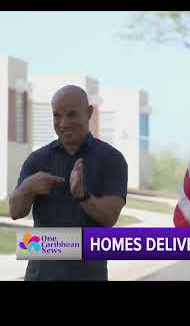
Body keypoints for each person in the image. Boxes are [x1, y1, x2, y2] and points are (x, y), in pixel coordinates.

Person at [8, 85, 128, 281]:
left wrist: (83, 196)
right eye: (57, 116)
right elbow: (15, 212)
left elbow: (109, 218)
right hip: (39, 276)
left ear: (89, 113)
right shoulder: (37, 160)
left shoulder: (112, 159)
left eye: (71, 115)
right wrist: (27, 188)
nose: (63, 123)